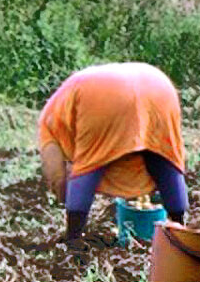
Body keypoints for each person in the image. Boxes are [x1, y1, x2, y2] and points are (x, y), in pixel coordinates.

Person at [37, 62, 189, 241]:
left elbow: (55, 173)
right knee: (161, 154)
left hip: (100, 95)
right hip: (159, 88)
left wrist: (65, 197)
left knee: (90, 163)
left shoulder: (47, 120)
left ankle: (73, 239)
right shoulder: (69, 91)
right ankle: (180, 229)